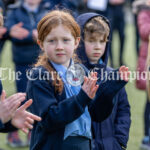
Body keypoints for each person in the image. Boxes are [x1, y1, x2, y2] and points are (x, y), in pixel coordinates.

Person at [26, 10, 130, 150]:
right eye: (51, 41)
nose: (59, 46)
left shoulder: (81, 71)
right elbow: (49, 119)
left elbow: (97, 114)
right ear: (40, 43)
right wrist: (82, 97)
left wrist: (110, 88)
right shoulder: (39, 75)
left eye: (66, 40)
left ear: (76, 42)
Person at [76, 12, 131, 150]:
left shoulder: (113, 74)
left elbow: (123, 110)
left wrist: (120, 140)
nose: (97, 46)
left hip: (111, 145)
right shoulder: (73, 76)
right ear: (79, 42)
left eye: (102, 41)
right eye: (91, 40)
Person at [4, 0, 49, 147]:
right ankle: (12, 132)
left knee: (38, 97)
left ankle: (32, 133)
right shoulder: (14, 10)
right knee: (22, 96)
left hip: (41, 62)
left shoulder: (47, 9)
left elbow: (50, 30)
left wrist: (35, 35)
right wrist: (32, 34)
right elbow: (10, 31)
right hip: (22, 62)